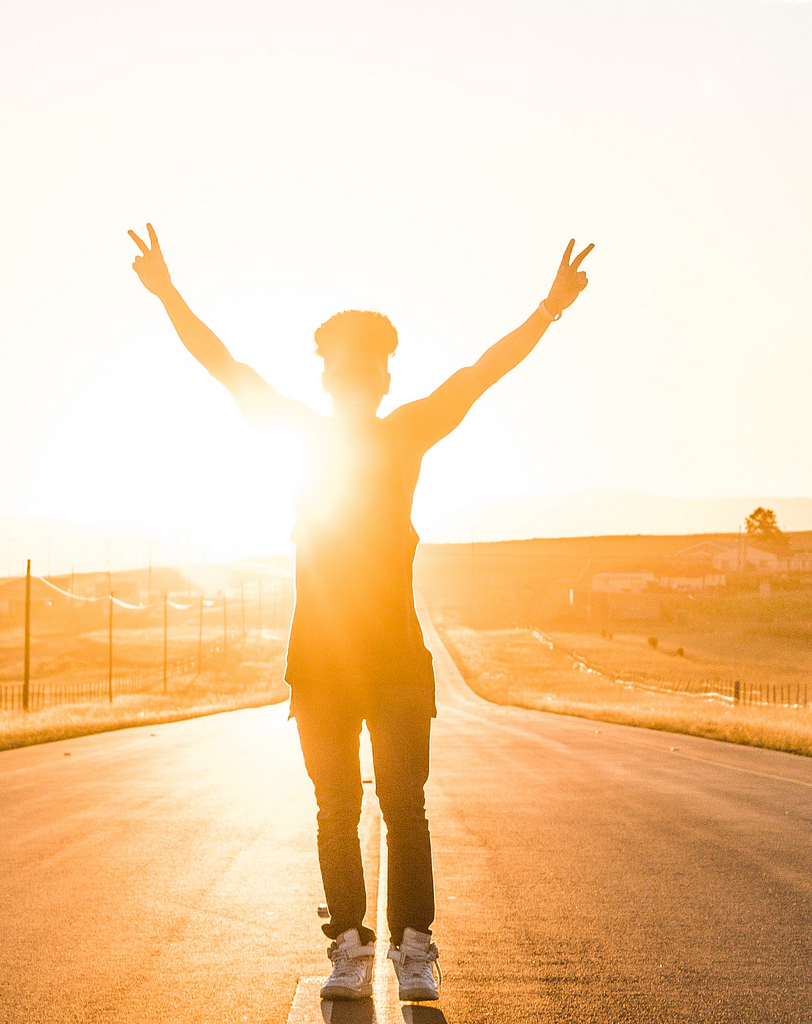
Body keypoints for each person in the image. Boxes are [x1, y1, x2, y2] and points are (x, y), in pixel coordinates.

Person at [128, 223, 593, 1002]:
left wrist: (548, 309)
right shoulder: (312, 437)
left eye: (372, 363)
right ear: (337, 378)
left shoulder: (402, 432)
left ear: (382, 377)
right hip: (320, 662)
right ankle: (351, 946)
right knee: (340, 808)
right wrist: (169, 293)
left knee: (398, 809)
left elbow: (482, 374)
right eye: (351, 364)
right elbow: (223, 365)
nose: (362, 376)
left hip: (394, 664)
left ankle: (413, 951)